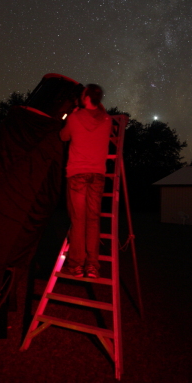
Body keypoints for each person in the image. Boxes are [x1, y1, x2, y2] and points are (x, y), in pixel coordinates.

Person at [60, 84, 112, 278]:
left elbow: (63, 136)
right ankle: (92, 265)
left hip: (77, 175)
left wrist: (74, 112)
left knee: (78, 220)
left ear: (86, 98)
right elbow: (101, 113)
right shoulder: (107, 120)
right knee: (92, 220)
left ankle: (76, 265)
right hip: (98, 175)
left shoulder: (75, 118)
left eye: (83, 95)